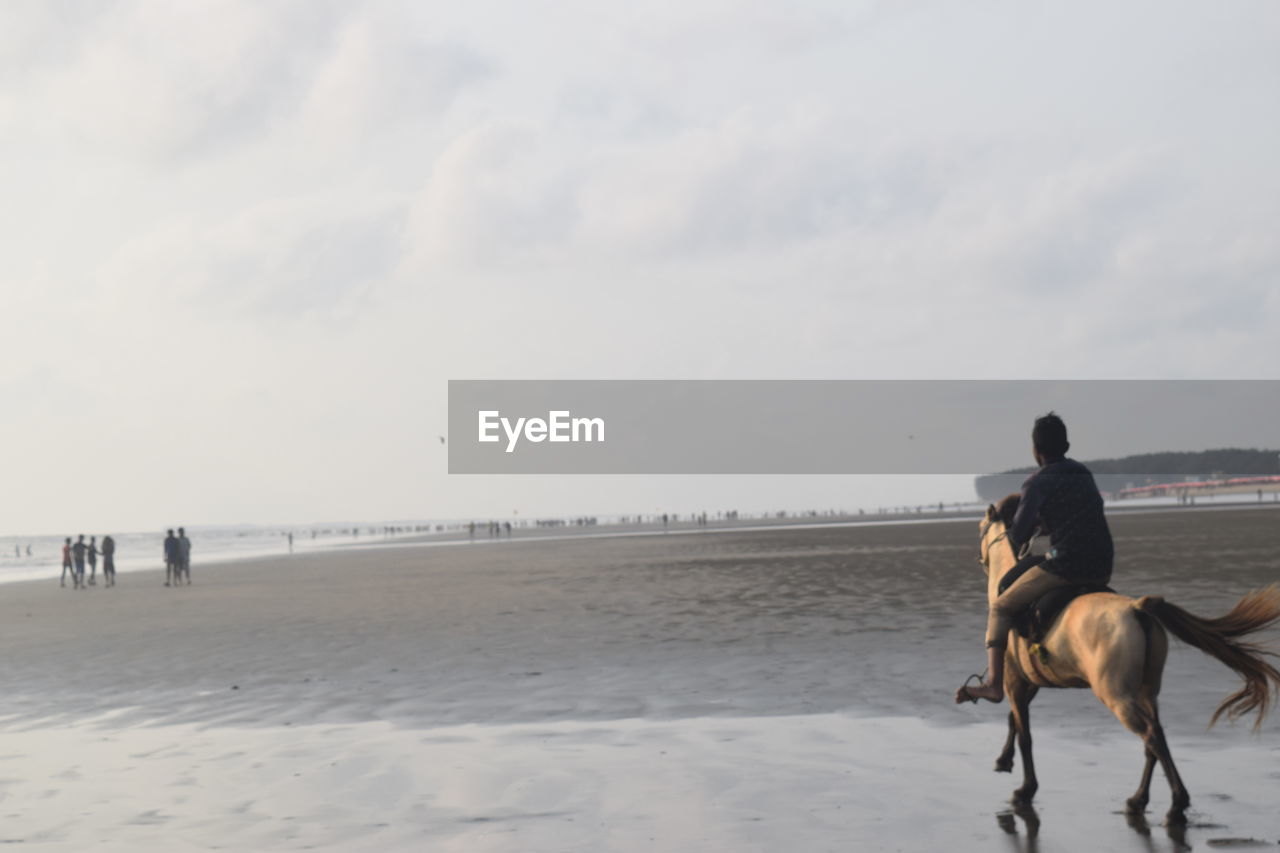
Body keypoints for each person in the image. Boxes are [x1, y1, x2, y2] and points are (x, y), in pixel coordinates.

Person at [956, 412, 1114, 704]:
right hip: (1103, 564)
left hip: (1067, 564)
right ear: (1066, 445)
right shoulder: (1083, 473)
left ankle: (992, 683)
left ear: (1036, 450)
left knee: (1001, 607)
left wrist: (1031, 521)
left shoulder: (1036, 483)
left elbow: (1017, 536)